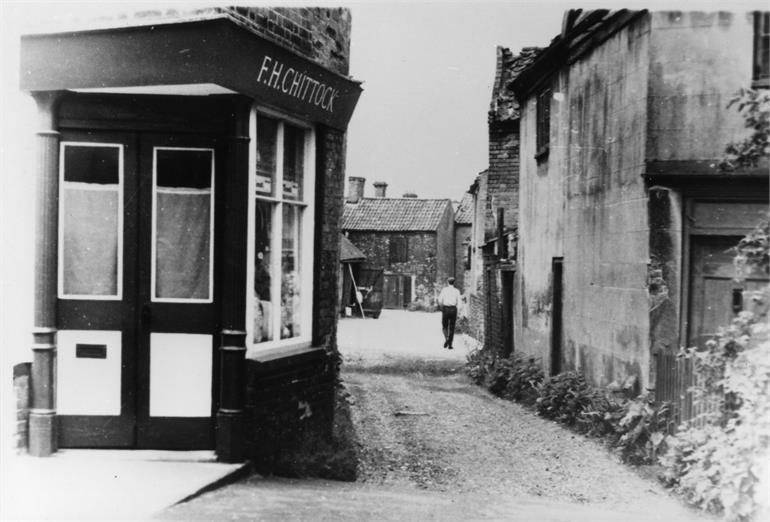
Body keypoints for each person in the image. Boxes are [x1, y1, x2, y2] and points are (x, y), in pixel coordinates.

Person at [437, 277, 461, 349]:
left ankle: (447, 339)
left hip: (446, 309)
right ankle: (450, 344)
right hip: (453, 309)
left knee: (444, 326)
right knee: (452, 327)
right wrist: (459, 310)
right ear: (454, 283)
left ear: (448, 282)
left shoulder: (444, 290)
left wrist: (442, 306)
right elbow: (459, 302)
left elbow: (440, 300)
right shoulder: (457, 291)